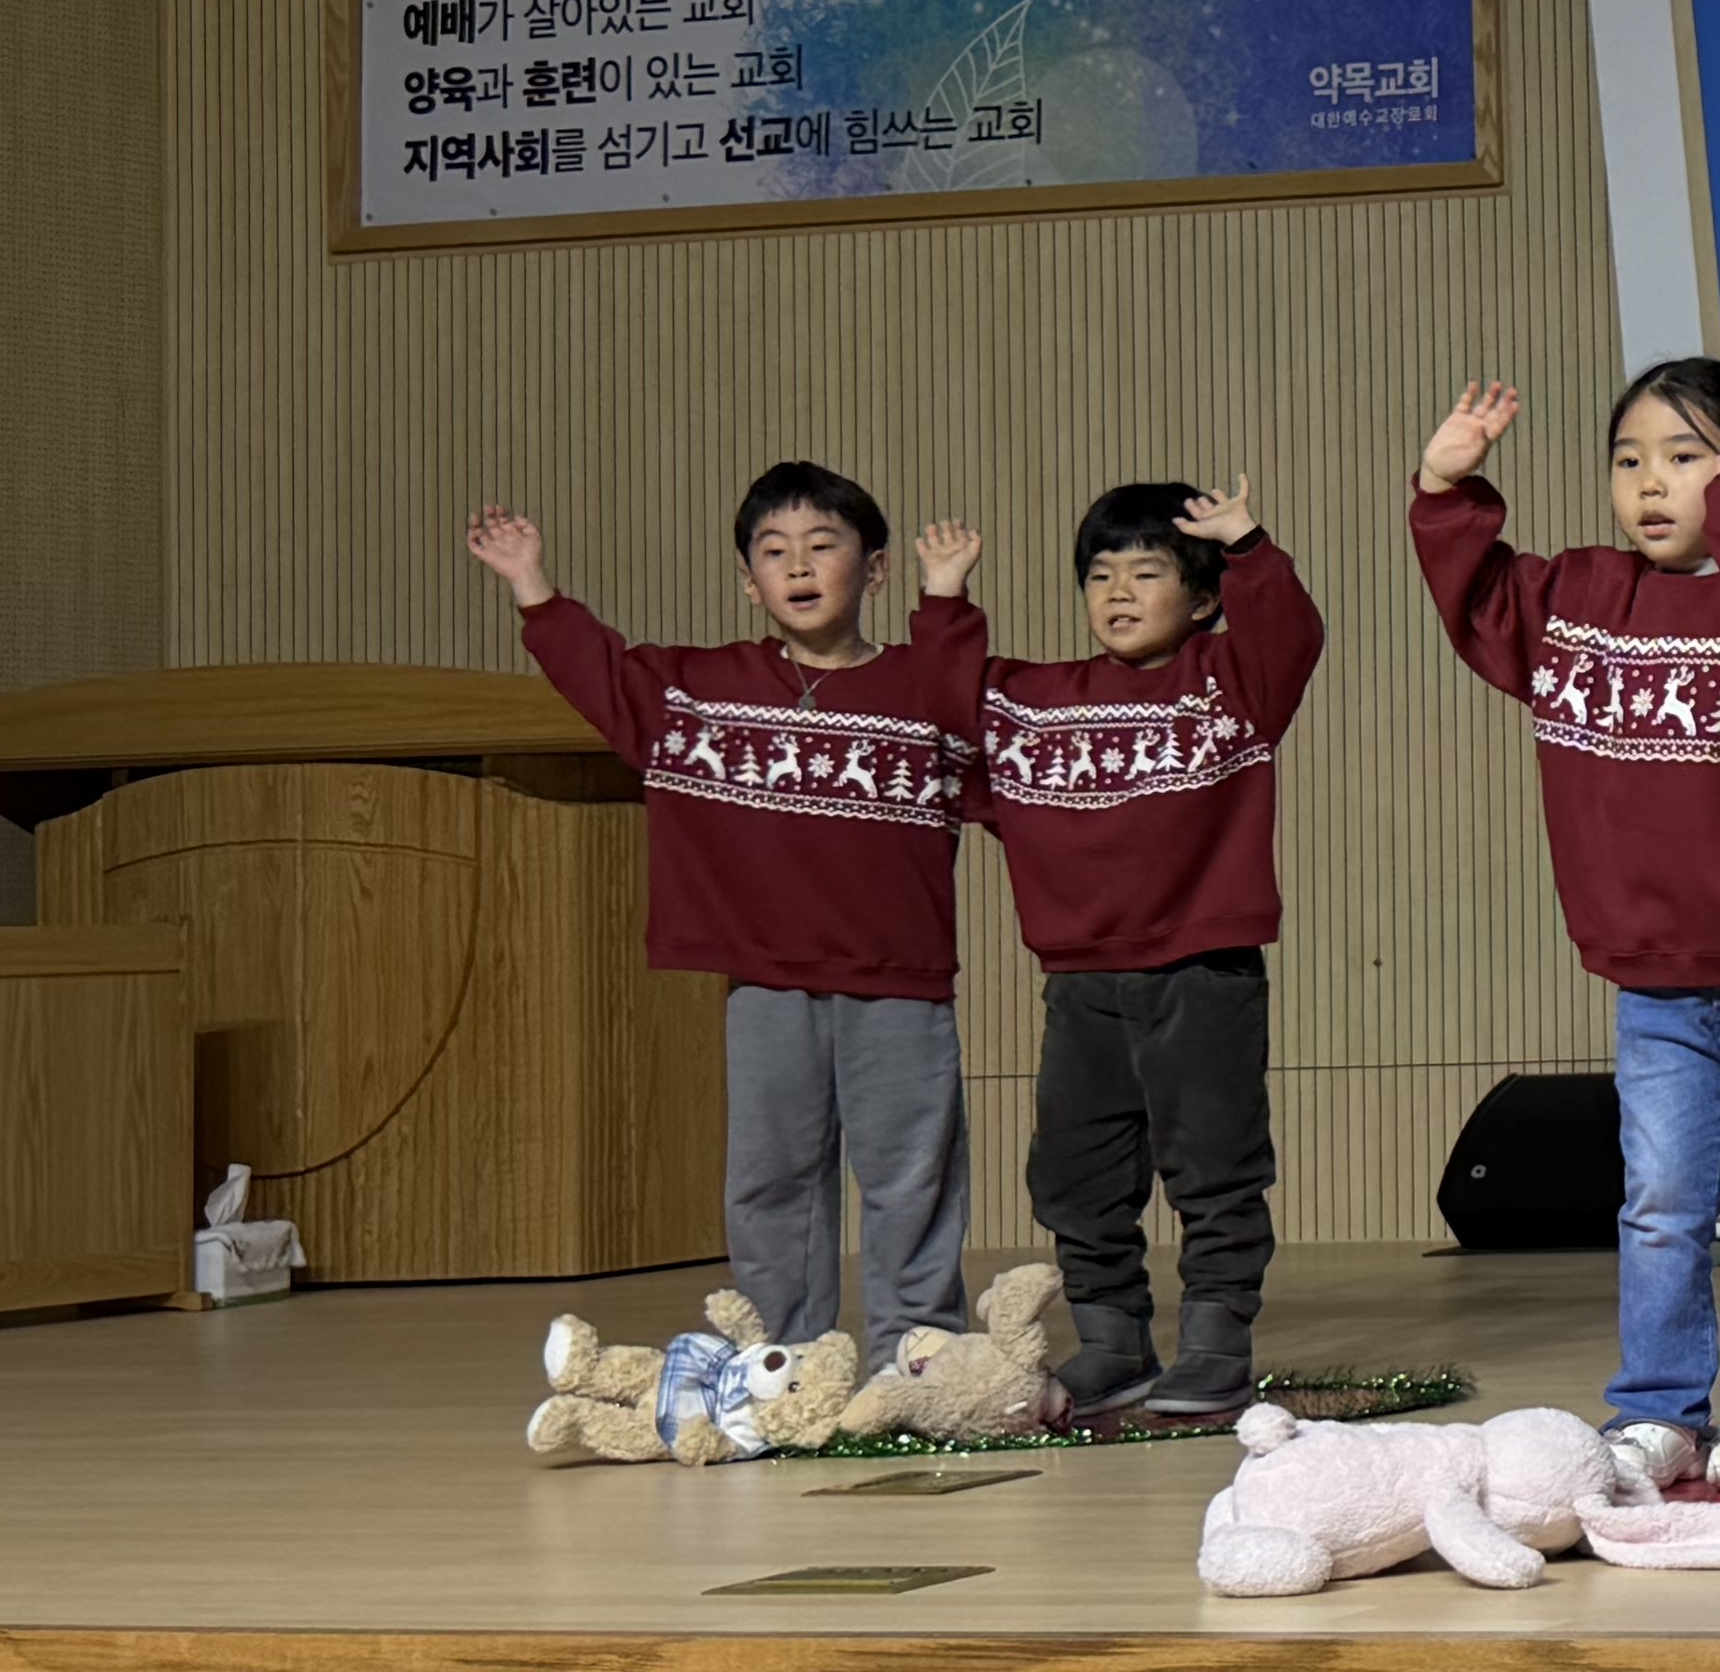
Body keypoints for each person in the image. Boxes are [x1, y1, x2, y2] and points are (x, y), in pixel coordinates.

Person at [1415, 362, 1720, 1486]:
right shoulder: (1579, 593)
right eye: (1630, 461)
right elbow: (1481, 600)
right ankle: (1660, 1408)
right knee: (1660, 1207)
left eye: (1685, 457)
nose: (1652, 484)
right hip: (1656, 979)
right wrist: (1446, 488)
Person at [468, 463, 987, 1347]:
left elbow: (978, 716)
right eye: (774, 552)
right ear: (750, 583)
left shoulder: (924, 689)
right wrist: (531, 585)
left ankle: (917, 1352)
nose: (799, 566)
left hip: (899, 977)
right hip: (765, 981)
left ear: (875, 569)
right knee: (771, 1177)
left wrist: (944, 603)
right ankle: (778, 1356)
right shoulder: (701, 692)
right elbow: (605, 677)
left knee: (912, 1175)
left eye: (823, 546)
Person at [974, 479, 1321, 1418]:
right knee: (1075, 1171)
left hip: (1202, 973)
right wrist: (943, 602)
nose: (1118, 591)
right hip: (1080, 981)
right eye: (1100, 575)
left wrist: (1246, 545)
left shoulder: (1228, 682)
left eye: (1147, 572)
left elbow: (1290, 633)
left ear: (1202, 599)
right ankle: (1112, 1343)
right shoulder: (1035, 700)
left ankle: (1215, 1344)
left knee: (1214, 1164)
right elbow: (938, 706)